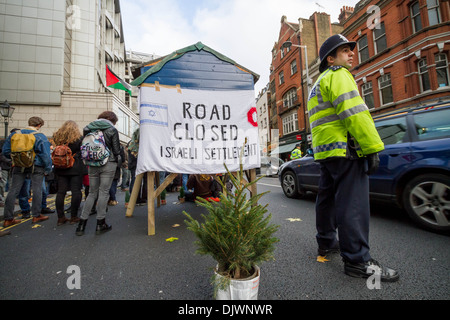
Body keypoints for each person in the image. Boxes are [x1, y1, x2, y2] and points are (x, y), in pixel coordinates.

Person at [307, 34, 399, 282]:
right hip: (346, 150)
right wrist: (371, 147)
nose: (351, 54)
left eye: (351, 50)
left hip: (326, 152)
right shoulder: (338, 75)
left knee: (326, 198)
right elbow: (355, 113)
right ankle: (358, 261)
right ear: (331, 58)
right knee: (353, 203)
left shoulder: (317, 84)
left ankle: (326, 242)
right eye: (345, 50)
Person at [76, 111, 121, 235]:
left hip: (92, 163)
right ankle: (100, 224)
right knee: (104, 192)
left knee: (91, 193)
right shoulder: (112, 129)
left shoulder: (87, 128)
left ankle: (81, 225)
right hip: (108, 162)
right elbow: (116, 150)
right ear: (111, 120)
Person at [2, 117, 52, 226]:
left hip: (19, 164)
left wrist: (13, 160)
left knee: (13, 190)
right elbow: (45, 156)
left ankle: (8, 218)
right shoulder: (40, 136)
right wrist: (48, 169)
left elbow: (5, 151)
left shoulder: (14, 135)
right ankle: (36, 215)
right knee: (37, 189)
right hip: (36, 165)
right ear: (39, 125)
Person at [52, 120, 84, 226]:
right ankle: (74, 217)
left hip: (60, 167)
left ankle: (60, 218)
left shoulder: (57, 137)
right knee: (76, 191)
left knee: (61, 192)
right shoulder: (79, 138)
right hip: (75, 167)